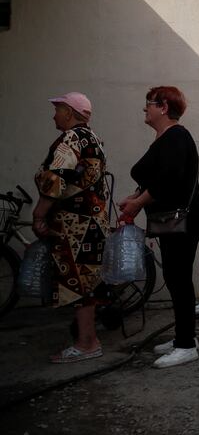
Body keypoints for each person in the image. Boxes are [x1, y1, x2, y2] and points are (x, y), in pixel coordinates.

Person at [119, 86, 199, 368]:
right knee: (174, 276)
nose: (144, 109)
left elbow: (169, 179)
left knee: (178, 276)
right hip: (170, 216)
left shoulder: (176, 136)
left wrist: (138, 203)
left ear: (164, 107)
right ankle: (186, 336)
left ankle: (185, 345)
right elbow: (156, 178)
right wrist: (136, 197)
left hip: (184, 216)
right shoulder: (164, 138)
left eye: (149, 103)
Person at [33, 92, 109, 363]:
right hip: (93, 220)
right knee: (86, 283)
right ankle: (90, 339)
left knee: (77, 284)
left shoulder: (72, 138)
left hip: (74, 224)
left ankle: (86, 343)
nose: (54, 115)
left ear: (69, 112)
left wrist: (39, 214)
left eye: (57, 109)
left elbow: (56, 180)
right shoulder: (94, 138)